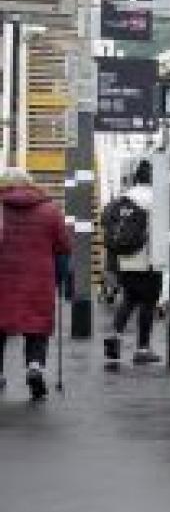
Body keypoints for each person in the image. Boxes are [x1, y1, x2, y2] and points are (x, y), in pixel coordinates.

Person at [0, 167, 71, 402]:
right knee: (37, 327)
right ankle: (34, 366)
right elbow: (63, 248)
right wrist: (60, 279)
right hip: (39, 278)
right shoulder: (50, 210)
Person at [101, 160, 162, 366]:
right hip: (148, 260)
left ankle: (116, 336)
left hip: (125, 259)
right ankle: (142, 348)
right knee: (147, 303)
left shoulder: (124, 197)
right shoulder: (155, 197)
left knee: (129, 300)